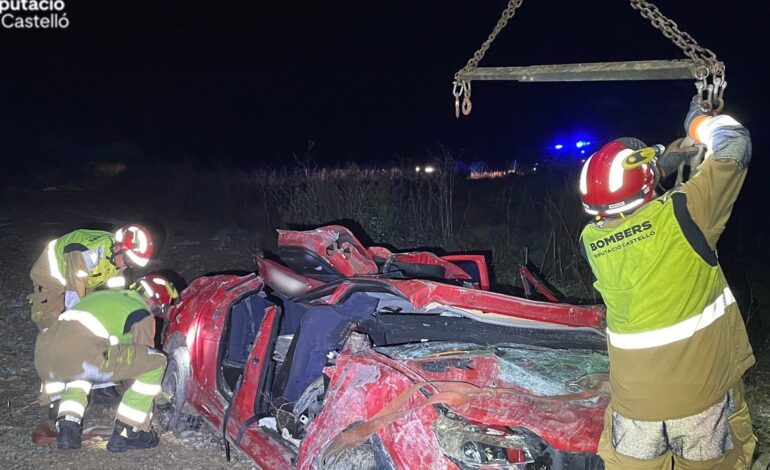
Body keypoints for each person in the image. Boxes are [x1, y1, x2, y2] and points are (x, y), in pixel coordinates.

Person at [578, 96, 755, 469]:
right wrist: (698, 122)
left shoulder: (591, 241)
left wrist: (666, 160)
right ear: (645, 181)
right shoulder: (685, 212)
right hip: (701, 405)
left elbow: (629, 195)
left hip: (634, 412)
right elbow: (736, 143)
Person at [35, 275, 178, 451]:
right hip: (82, 355)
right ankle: (129, 431)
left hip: (44, 356)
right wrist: (161, 399)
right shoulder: (141, 311)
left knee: (82, 371)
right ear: (155, 301)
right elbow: (142, 362)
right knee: (156, 361)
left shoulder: (103, 297)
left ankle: (68, 426)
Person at [28, 224, 155, 332]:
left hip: (85, 282)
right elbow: (74, 293)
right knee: (52, 327)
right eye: (127, 260)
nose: (125, 266)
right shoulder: (87, 253)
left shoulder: (118, 259)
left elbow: (117, 291)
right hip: (51, 280)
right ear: (117, 248)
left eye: (132, 264)